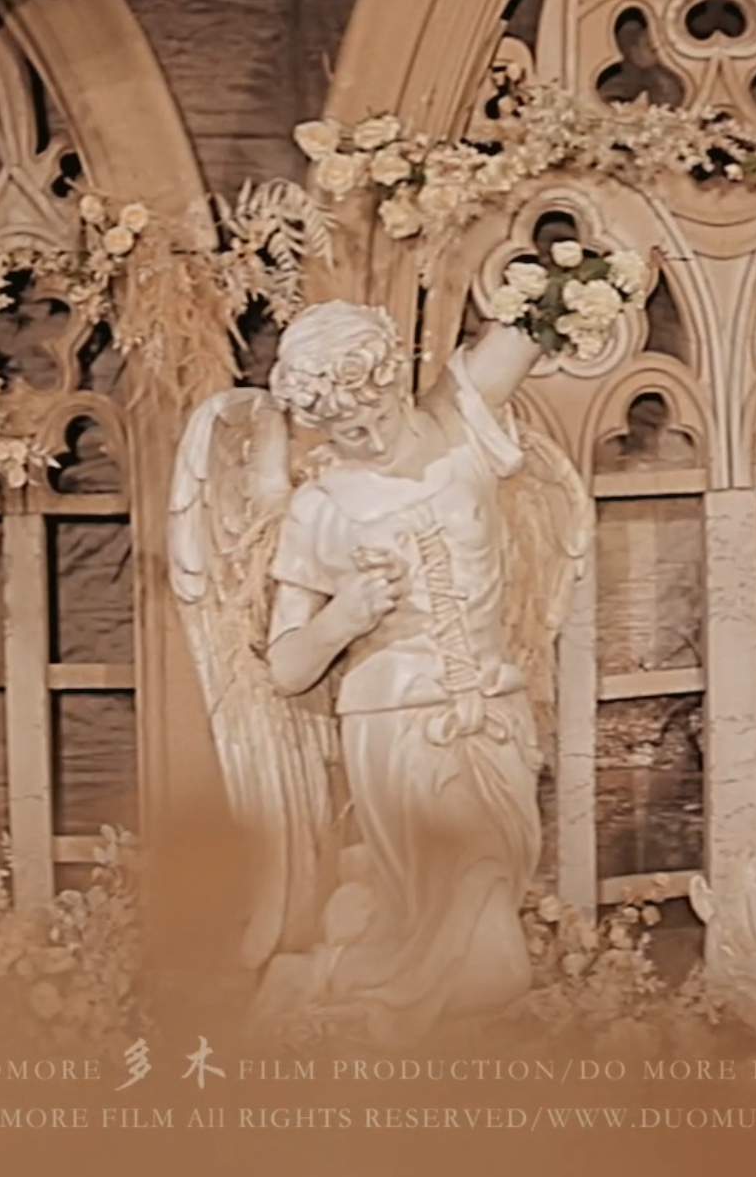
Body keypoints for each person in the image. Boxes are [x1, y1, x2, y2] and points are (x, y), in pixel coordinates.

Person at [258, 303, 546, 1046]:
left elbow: (537, 323)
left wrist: (587, 278)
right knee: (494, 970)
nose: (375, 438)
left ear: (396, 381)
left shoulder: (459, 429)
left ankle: (335, 977)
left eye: (381, 413)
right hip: (401, 732)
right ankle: (341, 985)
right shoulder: (320, 507)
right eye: (349, 432)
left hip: (495, 720)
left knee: (469, 939)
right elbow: (286, 666)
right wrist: (342, 617)